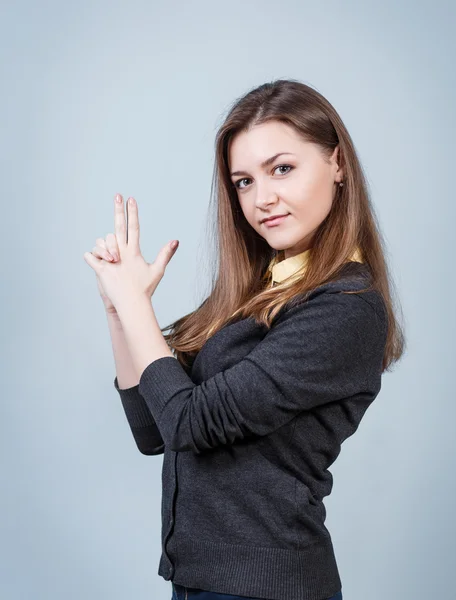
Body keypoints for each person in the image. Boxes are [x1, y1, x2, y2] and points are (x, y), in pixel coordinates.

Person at [87, 79, 405, 600]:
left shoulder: (346, 306)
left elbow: (189, 423)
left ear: (337, 163)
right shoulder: (260, 293)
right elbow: (154, 430)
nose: (263, 199)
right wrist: (119, 311)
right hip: (200, 583)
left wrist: (137, 305)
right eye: (243, 182)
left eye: (282, 169)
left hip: (268, 588)